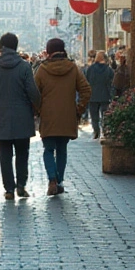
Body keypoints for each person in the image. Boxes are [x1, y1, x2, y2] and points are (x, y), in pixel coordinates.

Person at [0, 32, 42, 200]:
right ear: (16, 46)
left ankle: (9, 189)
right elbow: (33, 93)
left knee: (4, 155)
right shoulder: (25, 67)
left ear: (0, 46)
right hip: (22, 118)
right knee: (22, 153)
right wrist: (40, 110)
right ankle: (21, 185)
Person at [35, 38, 92, 195]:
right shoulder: (72, 68)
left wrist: (38, 110)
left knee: (48, 150)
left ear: (49, 51)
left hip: (48, 116)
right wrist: (78, 109)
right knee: (62, 150)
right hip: (67, 116)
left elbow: (34, 93)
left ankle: (52, 179)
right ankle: (59, 181)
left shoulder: (42, 69)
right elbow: (86, 89)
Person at [84, 51, 115, 141]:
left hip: (93, 95)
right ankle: (105, 131)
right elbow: (111, 83)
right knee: (105, 115)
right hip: (105, 95)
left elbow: (86, 81)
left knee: (94, 116)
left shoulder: (90, 69)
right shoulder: (108, 70)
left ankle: (96, 131)